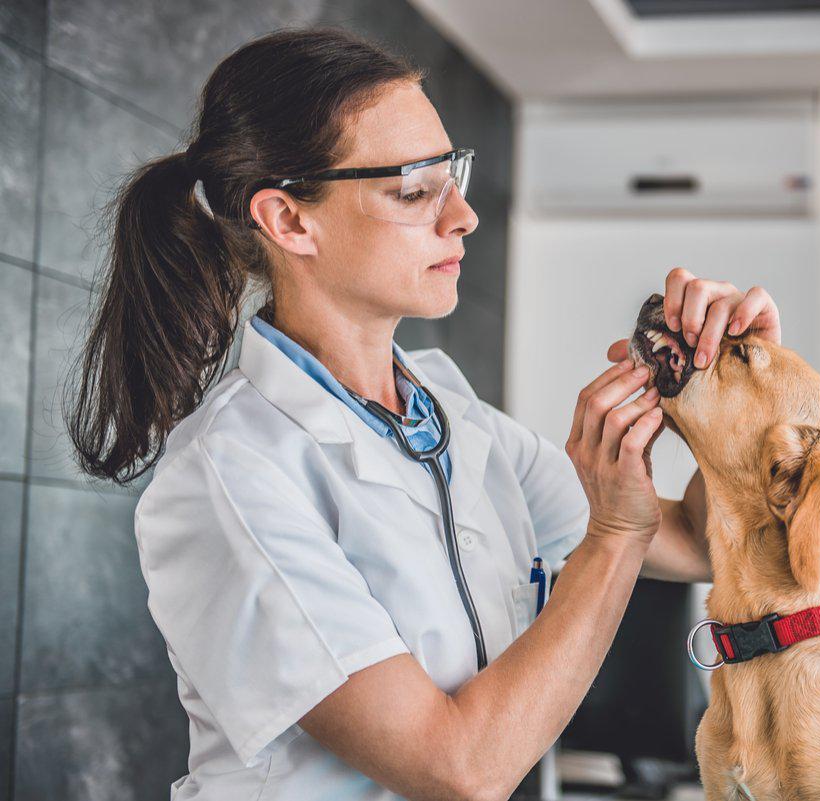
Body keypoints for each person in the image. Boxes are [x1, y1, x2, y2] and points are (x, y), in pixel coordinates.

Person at [67, 26, 782, 801]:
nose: (463, 216)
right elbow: (459, 767)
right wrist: (614, 536)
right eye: (415, 190)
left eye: (454, 176)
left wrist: (743, 392)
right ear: (289, 220)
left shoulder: (452, 416)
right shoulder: (227, 476)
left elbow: (702, 539)